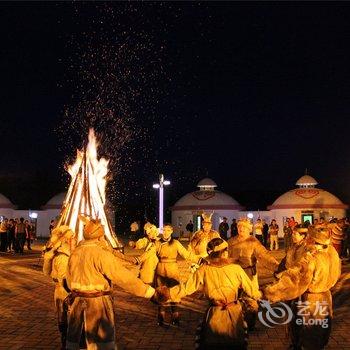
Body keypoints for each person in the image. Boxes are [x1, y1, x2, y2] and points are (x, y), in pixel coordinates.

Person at [65, 215, 160, 350]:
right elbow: (123, 277)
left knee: (77, 340)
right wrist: (149, 292)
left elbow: (68, 279)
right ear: (99, 236)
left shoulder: (75, 253)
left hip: (76, 304)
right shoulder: (100, 254)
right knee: (99, 342)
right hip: (97, 305)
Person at [162, 238, 261, 349]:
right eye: (226, 250)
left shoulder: (204, 269)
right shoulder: (236, 268)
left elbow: (186, 288)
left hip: (215, 313)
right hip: (234, 313)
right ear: (223, 253)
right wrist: (261, 294)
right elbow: (252, 291)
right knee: (235, 344)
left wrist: (167, 293)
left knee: (213, 343)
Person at [263, 225, 341, 350]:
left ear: (311, 238)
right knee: (321, 327)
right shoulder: (333, 253)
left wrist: (273, 292)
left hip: (310, 298)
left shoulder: (311, 257)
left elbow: (296, 278)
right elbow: (337, 274)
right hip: (325, 296)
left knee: (309, 328)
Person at [227, 218, 278, 330]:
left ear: (249, 229)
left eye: (244, 227)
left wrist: (277, 267)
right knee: (232, 298)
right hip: (233, 274)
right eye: (240, 226)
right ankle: (234, 322)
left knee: (251, 299)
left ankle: (250, 323)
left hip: (249, 274)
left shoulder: (253, 242)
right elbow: (224, 257)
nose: (241, 229)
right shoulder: (231, 242)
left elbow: (264, 256)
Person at [154, 224, 200, 326]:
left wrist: (199, 259)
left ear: (171, 231)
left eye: (168, 230)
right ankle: (161, 318)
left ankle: (175, 317)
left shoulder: (175, 243)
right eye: (164, 230)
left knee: (174, 292)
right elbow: (151, 254)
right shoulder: (157, 243)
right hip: (160, 269)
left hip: (172, 270)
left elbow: (186, 254)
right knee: (161, 293)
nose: (165, 232)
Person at [43, 225, 74, 349]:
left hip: (61, 289)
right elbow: (65, 278)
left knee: (62, 317)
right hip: (66, 291)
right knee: (68, 318)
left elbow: (46, 272)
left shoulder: (59, 253)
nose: (74, 239)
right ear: (66, 239)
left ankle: (66, 341)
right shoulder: (63, 257)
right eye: (72, 237)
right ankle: (67, 343)